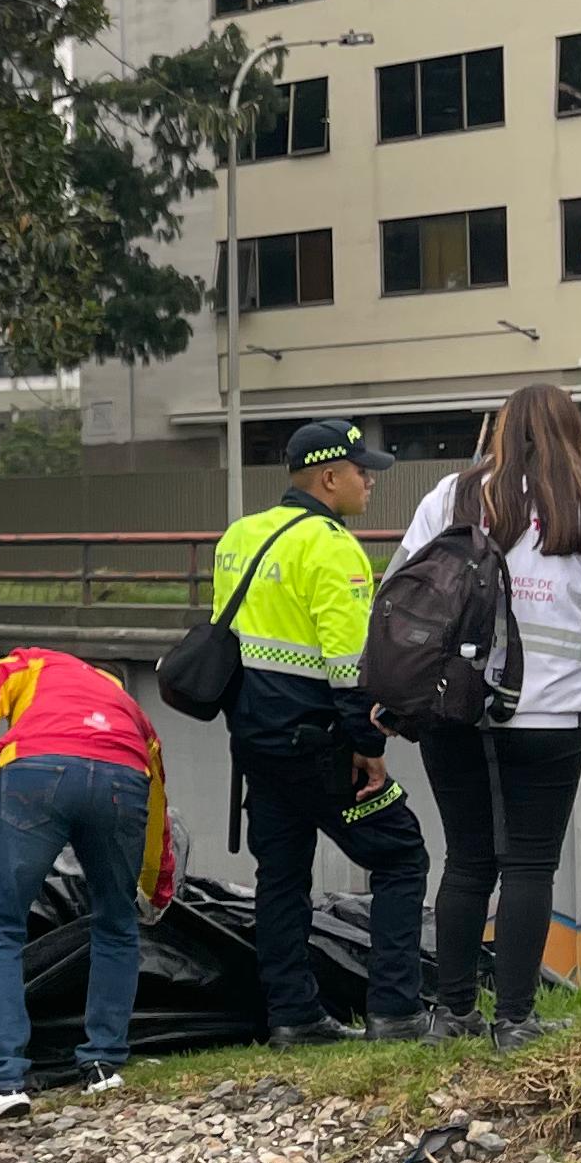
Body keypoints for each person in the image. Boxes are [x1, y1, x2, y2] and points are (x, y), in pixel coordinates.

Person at [393, 383, 581, 1046]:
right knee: (530, 864)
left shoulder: (452, 496)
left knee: (465, 860)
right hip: (552, 712)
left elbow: (398, 588)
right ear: (571, 432)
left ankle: (451, 1012)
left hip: (454, 708)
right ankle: (515, 1020)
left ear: (500, 429)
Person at [213, 418, 428, 1042]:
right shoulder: (332, 546)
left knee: (280, 875)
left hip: (254, 739)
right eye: (363, 471)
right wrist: (369, 748)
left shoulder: (239, 536)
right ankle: (395, 1011)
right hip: (318, 741)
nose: (370, 482)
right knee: (401, 854)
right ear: (329, 477)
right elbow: (348, 665)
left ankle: (293, 1017)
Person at [0, 645, 175, 1118]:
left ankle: (3, 1082)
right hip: (121, 779)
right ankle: (103, 1065)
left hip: (38, 769)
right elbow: (158, 806)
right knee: (117, 924)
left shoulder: (34, 663)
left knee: (0, 925)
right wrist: (156, 887)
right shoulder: (132, 712)